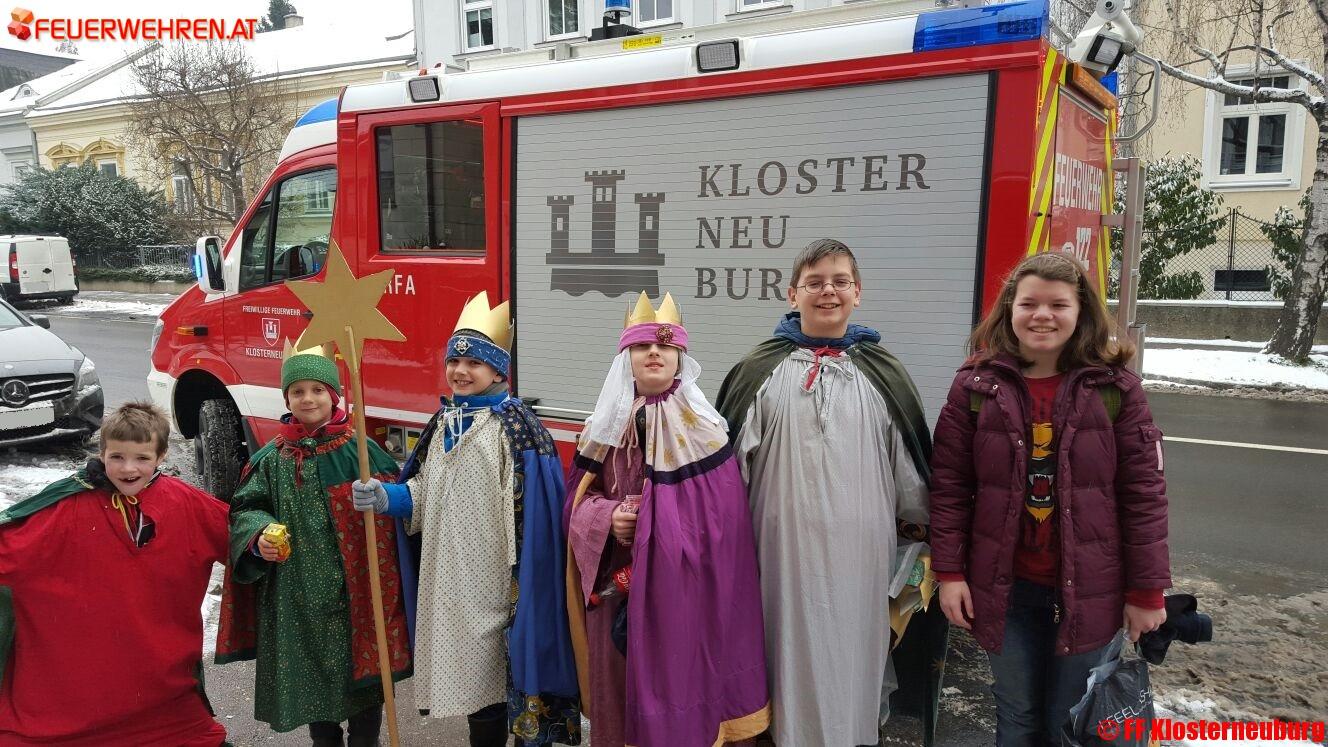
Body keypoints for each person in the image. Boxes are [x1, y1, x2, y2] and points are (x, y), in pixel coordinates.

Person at [929, 252, 1170, 746]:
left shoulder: (1116, 389)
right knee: (1016, 716)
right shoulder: (976, 388)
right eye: (1029, 303)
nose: (1042, 315)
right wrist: (949, 573)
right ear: (1008, 311)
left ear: (1080, 312)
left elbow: (1143, 496)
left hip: (1093, 589)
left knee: (1073, 720)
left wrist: (1146, 592)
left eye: (1058, 304)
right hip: (1006, 589)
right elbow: (950, 487)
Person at [715, 239, 934, 747]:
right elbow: (728, 476)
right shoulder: (759, 371)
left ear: (858, 293)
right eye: (814, 283)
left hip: (860, 560)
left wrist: (926, 531)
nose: (827, 291)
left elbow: (911, 475)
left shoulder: (885, 375)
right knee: (780, 656)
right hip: (779, 558)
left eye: (839, 282)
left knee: (851, 659)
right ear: (792, 294)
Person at [352, 292, 580, 747]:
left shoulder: (517, 429)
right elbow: (424, 493)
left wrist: (524, 583)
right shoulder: (442, 422)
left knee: (506, 678)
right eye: (454, 362)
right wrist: (387, 497)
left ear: (498, 371)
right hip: (451, 583)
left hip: (500, 584)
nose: (460, 371)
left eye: (473, 363)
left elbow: (536, 513)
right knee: (478, 690)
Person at [564, 292, 770, 747]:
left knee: (684, 683)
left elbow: (724, 525)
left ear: (680, 357)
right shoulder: (602, 427)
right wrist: (607, 516)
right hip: (616, 590)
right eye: (641, 346)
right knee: (619, 695)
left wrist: (663, 530)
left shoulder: (707, 430)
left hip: (686, 596)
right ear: (626, 358)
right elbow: (574, 505)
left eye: (665, 347)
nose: (653, 353)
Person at [0, 402, 229, 746]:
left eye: (142, 458)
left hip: (161, 690)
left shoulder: (184, 501)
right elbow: (12, 547)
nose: (128, 468)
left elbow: (236, 533)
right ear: (102, 452)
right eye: (117, 457)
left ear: (162, 456)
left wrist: (262, 540)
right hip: (71, 693)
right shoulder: (67, 505)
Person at [215, 346, 411, 747]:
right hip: (298, 595)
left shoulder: (360, 450)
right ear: (286, 398)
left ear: (334, 396)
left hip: (355, 594)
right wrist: (259, 535)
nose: (308, 399)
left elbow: (398, 508)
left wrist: (384, 499)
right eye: (298, 391)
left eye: (318, 390)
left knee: (363, 681)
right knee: (313, 683)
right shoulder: (272, 459)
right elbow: (246, 508)